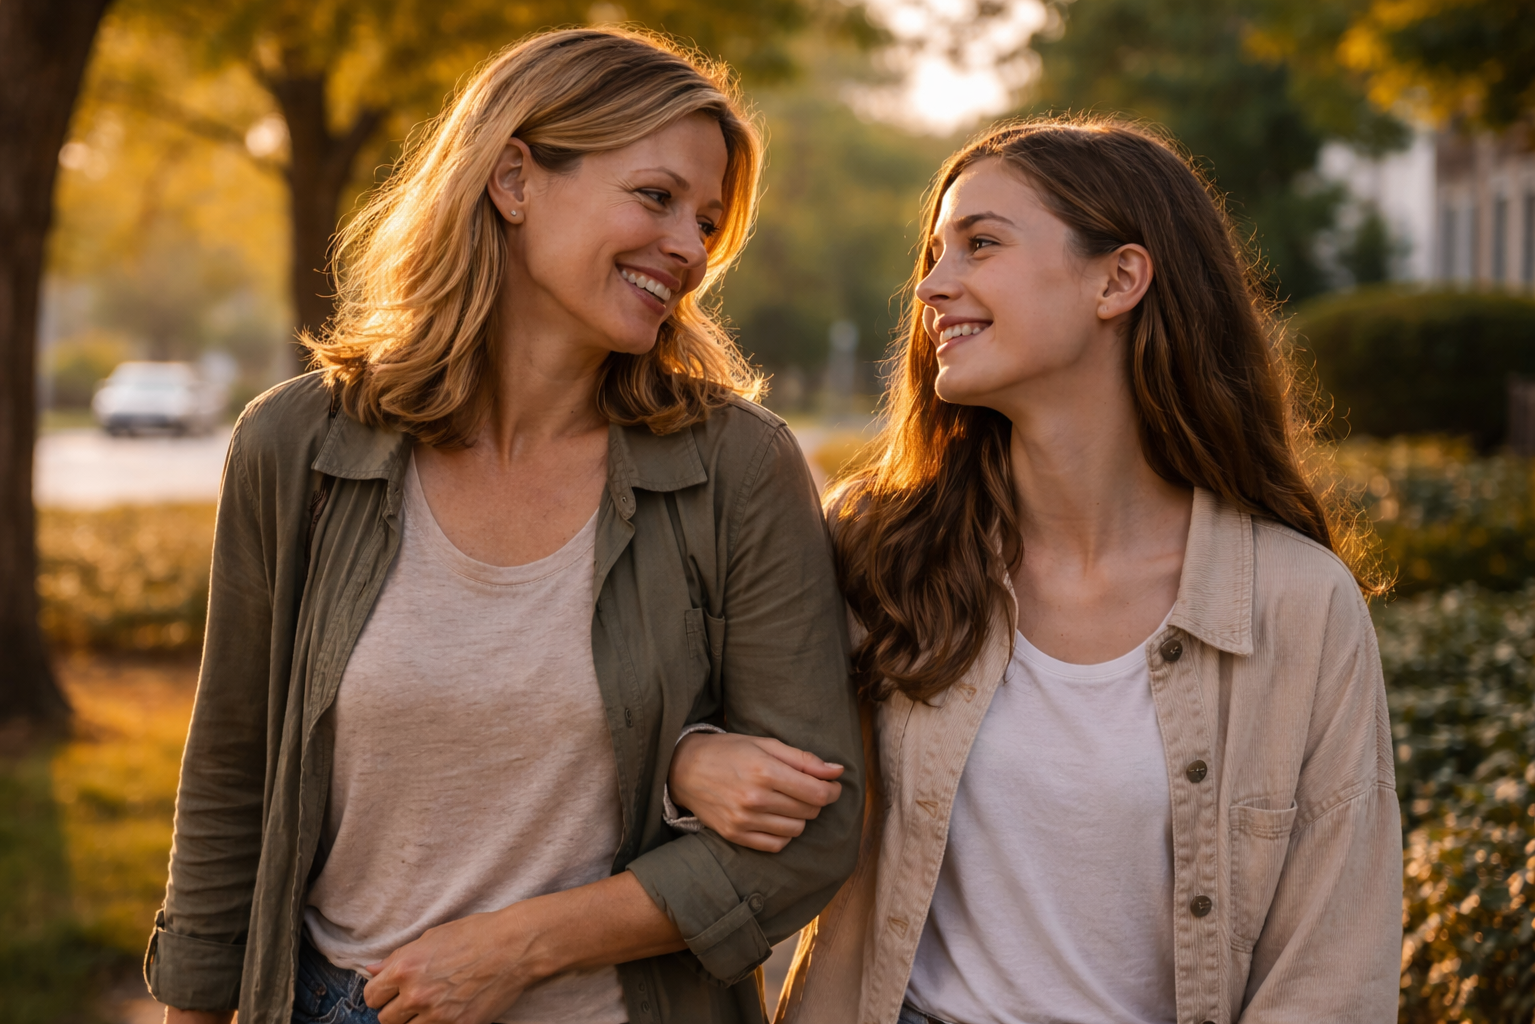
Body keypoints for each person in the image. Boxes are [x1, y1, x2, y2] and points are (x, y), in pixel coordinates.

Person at [145, 28, 863, 1024]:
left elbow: (815, 829)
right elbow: (231, 775)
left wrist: (518, 947)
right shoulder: (296, 445)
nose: (692, 249)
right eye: (657, 198)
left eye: (706, 222)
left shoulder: (738, 467)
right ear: (514, 179)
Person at [667, 118, 1403, 1024]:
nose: (932, 287)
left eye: (981, 244)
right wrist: (688, 762)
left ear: (1119, 279)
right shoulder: (878, 550)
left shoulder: (1298, 605)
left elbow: (1334, 969)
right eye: (934, 253)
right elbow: (694, 730)